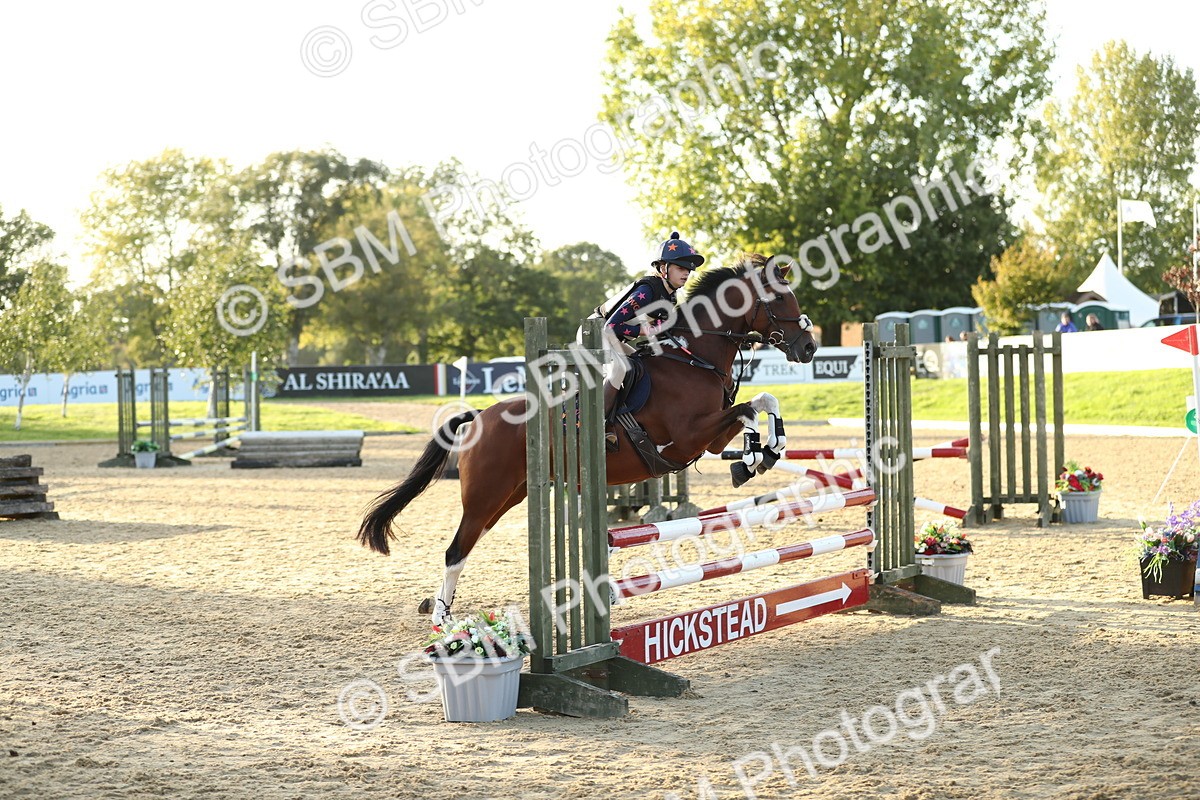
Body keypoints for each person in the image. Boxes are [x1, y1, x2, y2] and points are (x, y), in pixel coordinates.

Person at [596, 232, 705, 446]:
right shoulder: (646, 291)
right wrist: (644, 331)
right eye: (681, 268)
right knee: (620, 369)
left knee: (644, 364)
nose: (687, 273)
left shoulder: (670, 296)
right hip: (595, 333)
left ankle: (626, 419)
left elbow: (658, 330)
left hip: (614, 339)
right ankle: (600, 425)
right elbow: (611, 327)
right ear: (663, 268)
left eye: (689, 270)